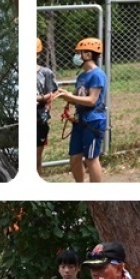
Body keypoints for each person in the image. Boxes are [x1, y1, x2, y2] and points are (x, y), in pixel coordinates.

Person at [55, 37, 107, 183]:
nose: (76, 56)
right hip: (80, 120)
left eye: (79, 53)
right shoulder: (82, 76)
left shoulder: (97, 75)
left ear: (88, 55)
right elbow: (79, 97)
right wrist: (64, 96)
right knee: (75, 157)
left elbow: (92, 100)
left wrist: (69, 96)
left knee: (91, 159)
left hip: (93, 121)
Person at [36, 38, 59, 172]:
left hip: (38, 118)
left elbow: (52, 94)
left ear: (38, 54)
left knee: (35, 158)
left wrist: (39, 98)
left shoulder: (45, 73)